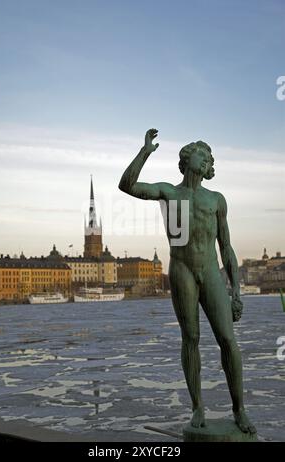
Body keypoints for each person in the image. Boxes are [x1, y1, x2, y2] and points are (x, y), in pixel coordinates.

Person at [118, 128, 256, 434]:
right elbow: (127, 185)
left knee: (228, 341)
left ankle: (239, 409)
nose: (205, 160)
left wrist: (237, 291)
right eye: (201, 154)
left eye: (208, 158)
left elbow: (227, 247)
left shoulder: (216, 200)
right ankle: (197, 407)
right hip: (182, 271)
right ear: (187, 158)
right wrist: (145, 152)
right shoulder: (170, 193)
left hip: (211, 271)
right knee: (190, 339)